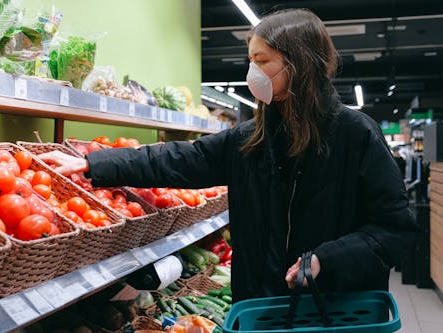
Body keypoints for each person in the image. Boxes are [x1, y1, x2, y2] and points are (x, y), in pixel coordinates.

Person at [38, 8, 416, 302]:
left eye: (263, 60)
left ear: (298, 64)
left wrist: (326, 260)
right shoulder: (251, 139)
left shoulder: (355, 135)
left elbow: (394, 230)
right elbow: (178, 159)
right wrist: (95, 162)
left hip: (334, 308)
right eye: (250, 59)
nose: (252, 71)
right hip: (261, 307)